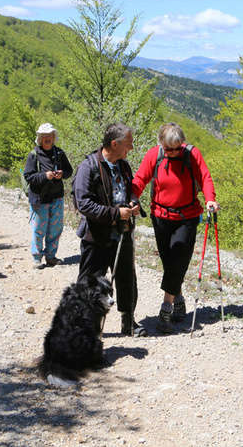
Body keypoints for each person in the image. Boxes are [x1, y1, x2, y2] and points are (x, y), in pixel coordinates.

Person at [132, 122, 218, 334]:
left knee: (179, 253)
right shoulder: (155, 155)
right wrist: (132, 196)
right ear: (162, 144)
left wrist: (210, 199)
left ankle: (166, 309)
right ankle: (178, 298)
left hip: (187, 216)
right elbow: (140, 178)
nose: (173, 152)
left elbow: (205, 178)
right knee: (169, 261)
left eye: (177, 148)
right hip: (160, 216)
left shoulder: (191, 155)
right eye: (169, 148)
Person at [72, 122, 146, 337]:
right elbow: (83, 203)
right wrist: (115, 213)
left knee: (126, 279)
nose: (130, 148)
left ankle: (128, 321)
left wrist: (132, 203)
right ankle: (86, 327)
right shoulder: (89, 167)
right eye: (128, 144)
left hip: (122, 233)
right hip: (96, 236)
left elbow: (130, 190)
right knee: (90, 283)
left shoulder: (123, 165)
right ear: (114, 144)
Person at [23, 123, 73, 269]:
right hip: (39, 199)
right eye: (44, 136)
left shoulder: (59, 153)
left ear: (53, 137)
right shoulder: (34, 155)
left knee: (55, 229)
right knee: (39, 229)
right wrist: (45, 176)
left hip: (57, 197)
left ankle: (50, 257)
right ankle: (37, 258)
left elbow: (69, 171)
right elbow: (29, 177)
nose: (47, 139)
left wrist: (62, 174)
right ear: (39, 138)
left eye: (49, 136)